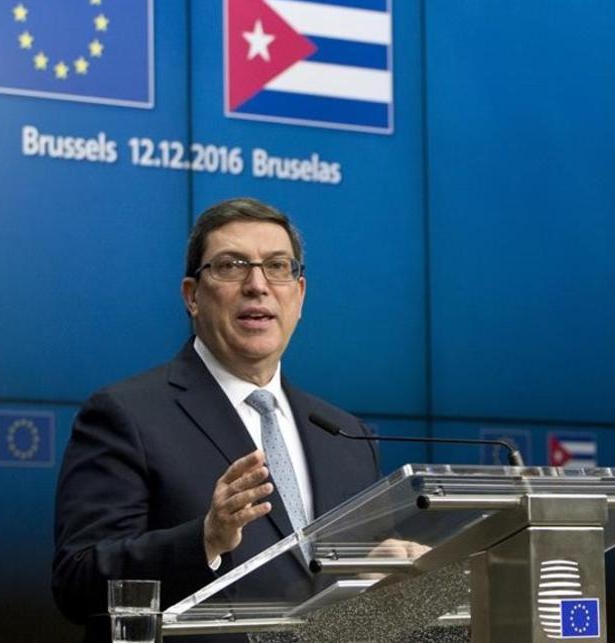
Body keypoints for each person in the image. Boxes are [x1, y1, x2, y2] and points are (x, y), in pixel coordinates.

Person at [52, 198, 381, 642]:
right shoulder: (126, 414)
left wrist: (401, 574)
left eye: (278, 267)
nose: (257, 285)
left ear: (299, 296)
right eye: (231, 266)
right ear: (192, 296)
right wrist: (205, 540)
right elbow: (79, 582)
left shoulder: (347, 436)